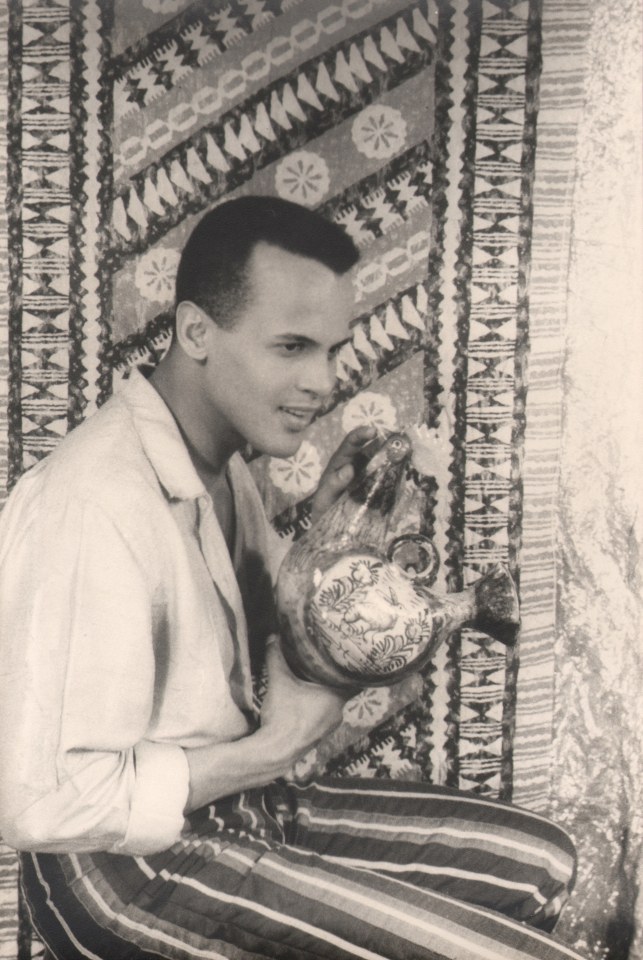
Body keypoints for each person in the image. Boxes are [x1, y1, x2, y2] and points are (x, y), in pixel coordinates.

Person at [0, 196, 584, 960]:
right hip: (121, 873)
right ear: (196, 332)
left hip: (238, 803)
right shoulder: (90, 502)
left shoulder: (222, 463)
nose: (322, 381)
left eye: (332, 350)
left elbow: (254, 640)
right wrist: (270, 750)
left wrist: (321, 523)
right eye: (290, 348)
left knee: (541, 862)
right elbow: (42, 804)